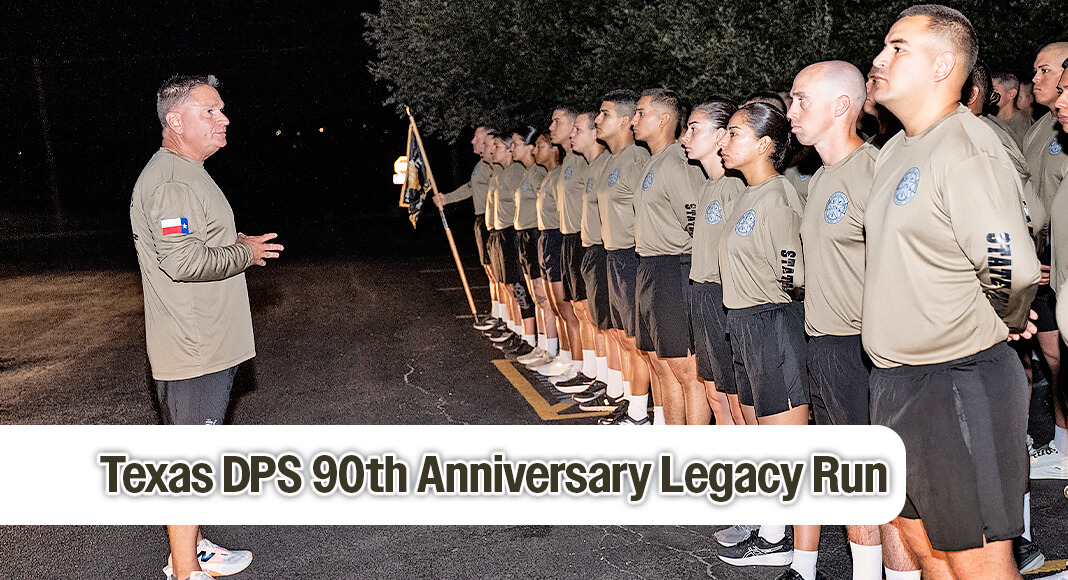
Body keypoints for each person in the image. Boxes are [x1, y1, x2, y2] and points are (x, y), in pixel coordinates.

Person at [865, 6, 1040, 578]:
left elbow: (1009, 267)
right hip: (896, 381)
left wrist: (1006, 320)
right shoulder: (896, 150)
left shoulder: (967, 146)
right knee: (925, 552)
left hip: (956, 381)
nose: (879, 59)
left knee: (977, 564)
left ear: (944, 66)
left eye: (898, 48)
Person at [130, 75, 269, 580]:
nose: (223, 119)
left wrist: (232, 240)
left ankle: (196, 548)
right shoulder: (170, 180)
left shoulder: (189, 172)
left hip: (208, 344)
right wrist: (244, 254)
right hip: (194, 350)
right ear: (175, 121)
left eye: (222, 110)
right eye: (209, 111)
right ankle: (185, 571)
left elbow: (194, 235)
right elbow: (183, 260)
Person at [788, 60, 919, 580]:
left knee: (888, 487)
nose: (791, 110)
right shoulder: (820, 177)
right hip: (824, 344)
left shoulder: (876, 171)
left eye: (801, 99)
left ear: (841, 106)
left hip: (867, 351)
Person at [963, 59, 1050, 574]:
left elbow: (1025, 215)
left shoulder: (984, 141)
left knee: (999, 429)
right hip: (946, 319)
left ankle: (1019, 540)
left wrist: (1009, 307)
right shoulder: (915, 143)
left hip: (985, 312)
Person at [714, 102, 806, 570]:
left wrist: (782, 310)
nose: (723, 142)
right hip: (744, 321)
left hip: (773, 319)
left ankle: (776, 538)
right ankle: (769, 527)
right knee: (759, 430)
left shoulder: (779, 195)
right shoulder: (745, 193)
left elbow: (795, 270)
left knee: (783, 440)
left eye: (733, 134)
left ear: (765, 144)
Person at [631, 88, 708, 425]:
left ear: (663, 119)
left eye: (640, 113)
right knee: (660, 362)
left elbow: (696, 225)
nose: (634, 120)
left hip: (674, 267)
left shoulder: (678, 162)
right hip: (651, 266)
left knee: (685, 369)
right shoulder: (656, 160)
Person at [591, 89, 655, 424]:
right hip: (613, 255)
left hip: (631, 256)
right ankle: (632, 402)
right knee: (621, 336)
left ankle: (639, 413)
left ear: (627, 121)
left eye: (605, 114)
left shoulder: (635, 160)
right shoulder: (612, 160)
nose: (597, 120)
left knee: (636, 340)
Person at [681, 98, 744, 427]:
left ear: (722, 135)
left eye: (694, 128)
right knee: (716, 394)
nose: (685, 137)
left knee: (735, 398)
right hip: (702, 293)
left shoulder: (735, 185)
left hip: (723, 298)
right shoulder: (709, 184)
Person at [1023, 43, 1068, 483]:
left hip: (1059, 271)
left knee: (1060, 359)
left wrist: (1056, 258)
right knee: (1053, 361)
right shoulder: (1042, 127)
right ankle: (1060, 442)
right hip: (1039, 269)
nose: (1034, 78)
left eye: (1044, 70)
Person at [535, 105, 590, 381]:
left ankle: (581, 365)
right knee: (564, 305)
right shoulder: (568, 161)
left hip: (578, 238)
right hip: (564, 238)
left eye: (558, 122)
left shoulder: (583, 160)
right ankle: (569, 358)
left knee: (577, 309)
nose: (552, 127)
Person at [432, 126, 498, 329]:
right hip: (482, 219)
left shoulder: (493, 164)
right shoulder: (482, 164)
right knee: (490, 270)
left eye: (477, 137)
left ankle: (503, 317)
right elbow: (471, 187)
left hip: (492, 219)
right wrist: (447, 198)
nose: (472, 141)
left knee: (497, 272)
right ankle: (497, 313)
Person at [991, 71, 1034, 146]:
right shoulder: (988, 118)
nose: (990, 94)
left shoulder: (1025, 126)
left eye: (994, 90)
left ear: (1011, 94)